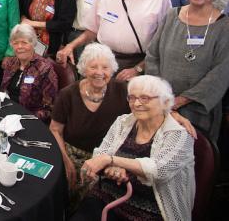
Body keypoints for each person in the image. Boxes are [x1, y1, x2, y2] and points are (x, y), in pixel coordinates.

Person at [75, 76, 195, 221]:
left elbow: (159, 171)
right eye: (132, 98)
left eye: (145, 98)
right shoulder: (123, 122)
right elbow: (100, 155)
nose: (136, 103)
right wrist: (110, 169)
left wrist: (112, 160)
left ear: (166, 102)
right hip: (106, 196)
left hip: (151, 209)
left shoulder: (179, 134)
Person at [57, 0, 172, 81]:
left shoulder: (160, 0)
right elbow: (92, 31)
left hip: (136, 65)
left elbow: (163, 45)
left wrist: (138, 69)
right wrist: (70, 46)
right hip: (102, 61)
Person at [146, 0, 229, 142]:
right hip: (161, 101)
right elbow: (153, 55)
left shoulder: (224, 26)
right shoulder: (172, 15)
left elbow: (221, 73)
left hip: (198, 110)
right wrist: (160, 94)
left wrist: (181, 100)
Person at [50, 44, 129, 204]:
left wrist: (175, 114)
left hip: (109, 158)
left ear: (112, 69)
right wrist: (65, 162)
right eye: (93, 67)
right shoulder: (67, 94)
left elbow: (149, 102)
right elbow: (55, 130)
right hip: (73, 155)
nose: (99, 72)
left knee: (99, 197)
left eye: (105, 67)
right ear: (84, 69)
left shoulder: (124, 90)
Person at [0, 24, 58, 122]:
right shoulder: (10, 63)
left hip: (30, 119)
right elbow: (3, 91)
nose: (19, 47)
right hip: (8, 114)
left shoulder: (44, 68)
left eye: (24, 42)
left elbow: (49, 108)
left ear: (33, 43)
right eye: (15, 43)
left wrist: (24, 118)